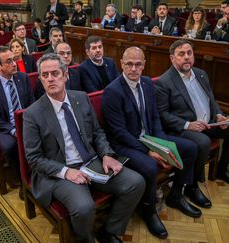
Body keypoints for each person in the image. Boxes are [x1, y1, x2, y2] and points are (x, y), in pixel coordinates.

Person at [23, 53, 145, 243]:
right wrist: (66, 172)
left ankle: (109, 230)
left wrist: (106, 154)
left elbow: (97, 133)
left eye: (55, 73)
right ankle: (87, 239)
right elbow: (34, 158)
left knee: (136, 182)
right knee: (84, 207)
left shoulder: (80, 98)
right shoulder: (33, 114)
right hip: (60, 170)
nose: (50, 79)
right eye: (45, 75)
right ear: (40, 79)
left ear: (65, 75)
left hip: (91, 161)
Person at [102, 46, 209, 238]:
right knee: (151, 166)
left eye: (138, 64)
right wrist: (149, 150)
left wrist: (160, 143)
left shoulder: (147, 84)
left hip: (150, 138)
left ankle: (176, 194)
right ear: (121, 64)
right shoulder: (112, 91)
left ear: (144, 65)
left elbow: (155, 118)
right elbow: (119, 133)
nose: (133, 69)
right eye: (129, 64)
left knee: (190, 148)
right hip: (125, 144)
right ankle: (149, 210)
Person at [155, 39, 229, 187]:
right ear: (172, 58)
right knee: (203, 142)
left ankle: (221, 169)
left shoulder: (201, 74)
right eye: (181, 54)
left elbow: (212, 100)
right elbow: (162, 114)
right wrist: (188, 125)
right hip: (185, 128)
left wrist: (218, 114)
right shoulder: (164, 82)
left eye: (189, 53)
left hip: (209, 123)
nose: (186, 57)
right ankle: (193, 184)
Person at [0, 46, 35, 180]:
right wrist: (12, 130)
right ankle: (21, 178)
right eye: (9, 61)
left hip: (26, 122)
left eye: (14, 59)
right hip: (3, 127)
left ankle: (40, 173)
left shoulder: (23, 77)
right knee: (10, 145)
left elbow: (32, 104)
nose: (14, 64)